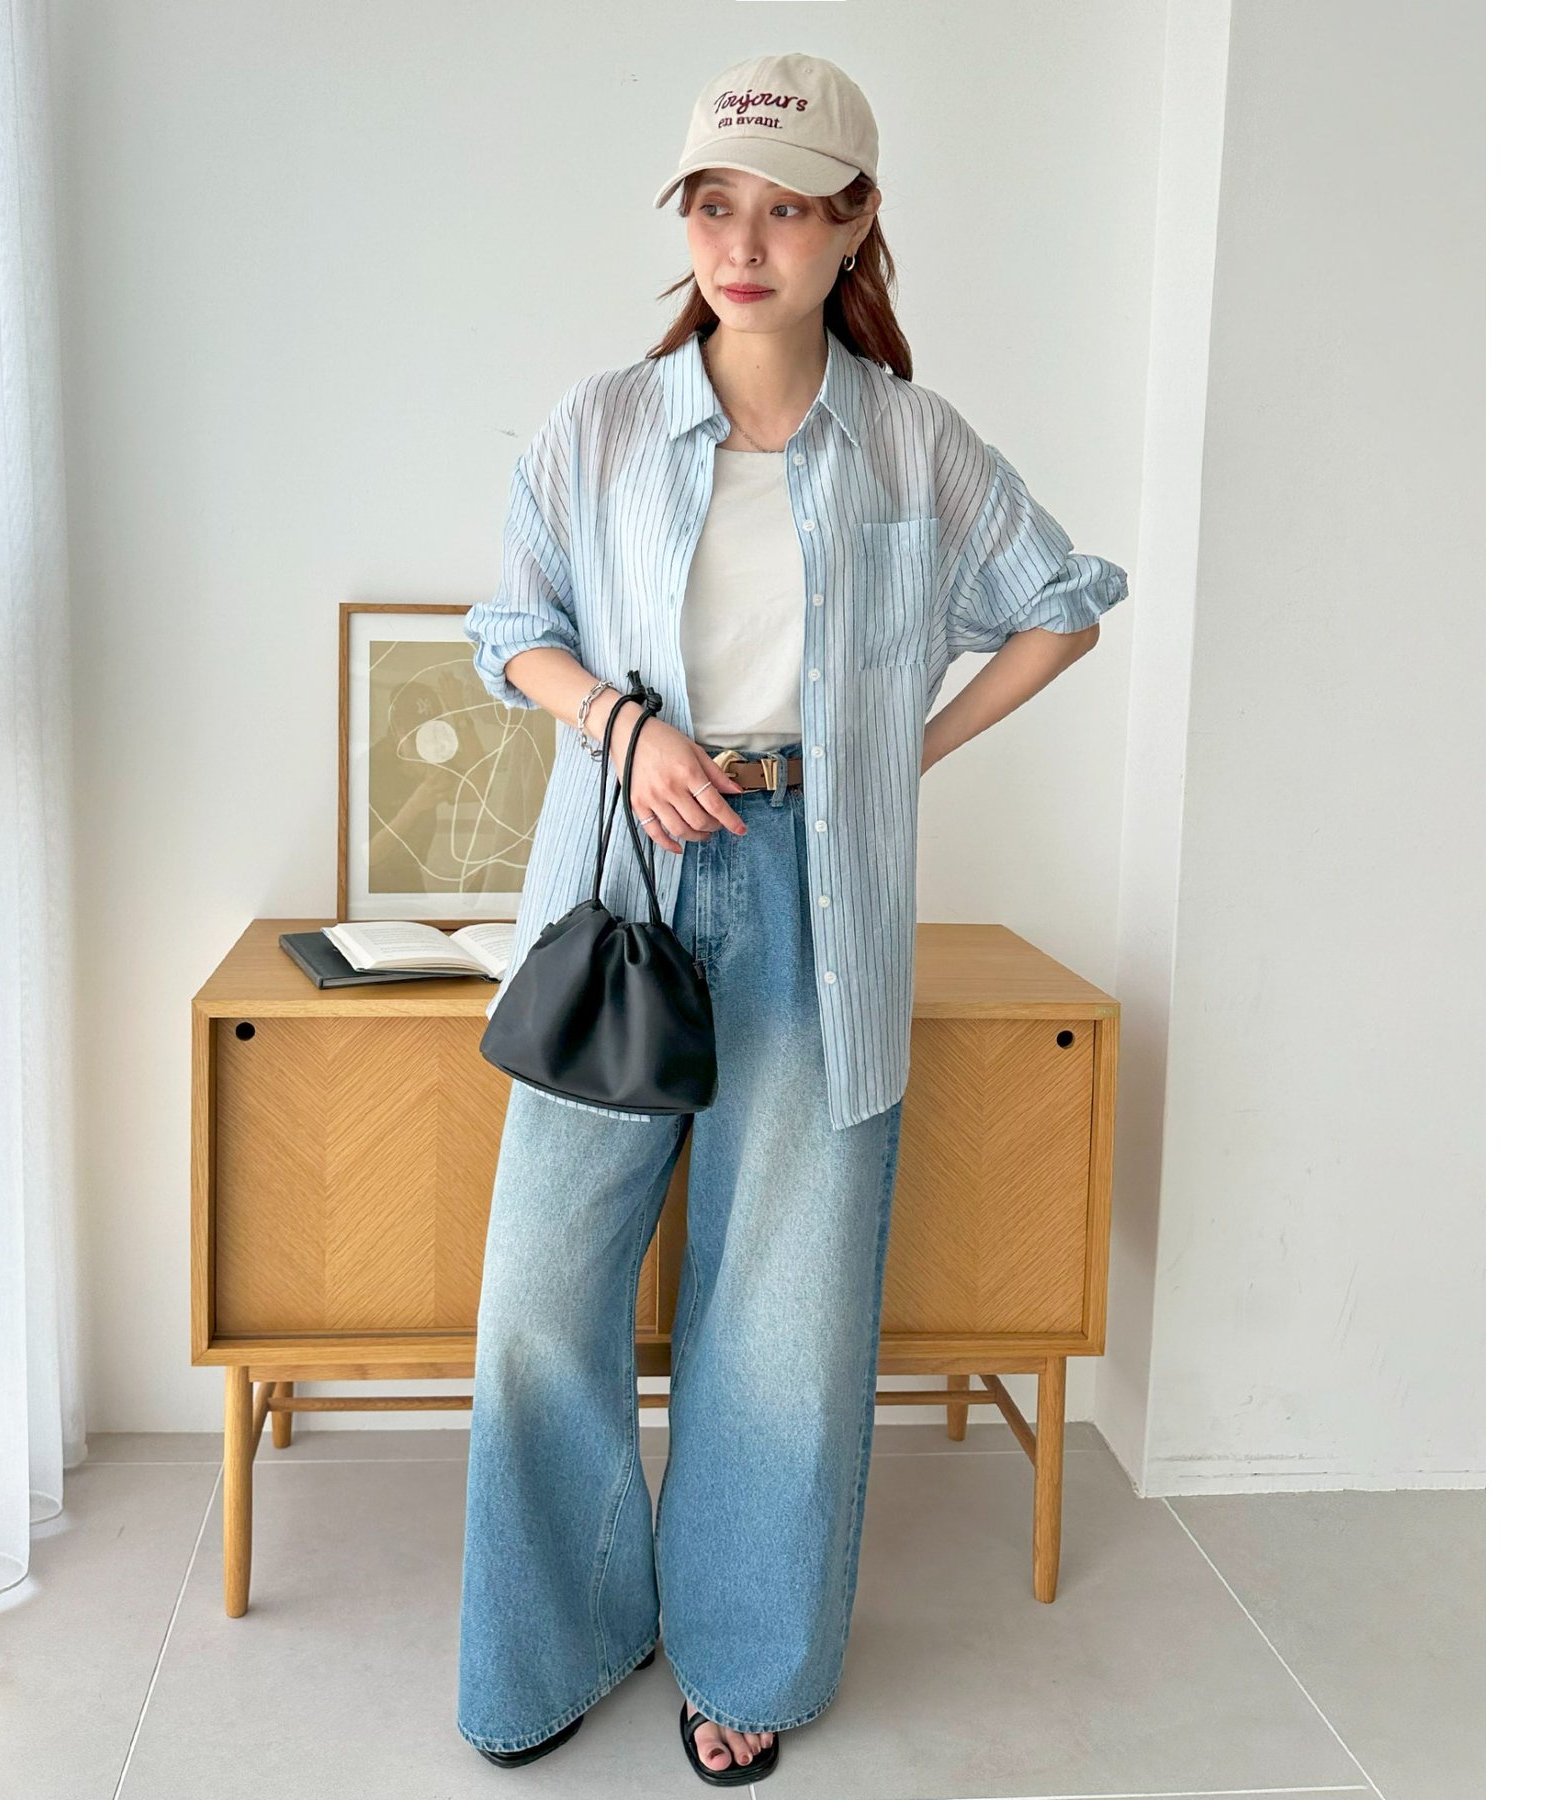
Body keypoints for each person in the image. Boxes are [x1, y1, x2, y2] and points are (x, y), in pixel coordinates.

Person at [454, 50, 1129, 1784]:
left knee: (783, 1309)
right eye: (713, 206)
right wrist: (625, 729)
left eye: (785, 210)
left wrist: (899, 753)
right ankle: (563, 1631)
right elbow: (510, 628)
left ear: (854, 224)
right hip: (619, 888)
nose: (742, 245)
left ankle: (748, 1652)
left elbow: (1062, 606)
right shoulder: (599, 425)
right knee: (540, 1291)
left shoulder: (911, 440)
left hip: (817, 895)